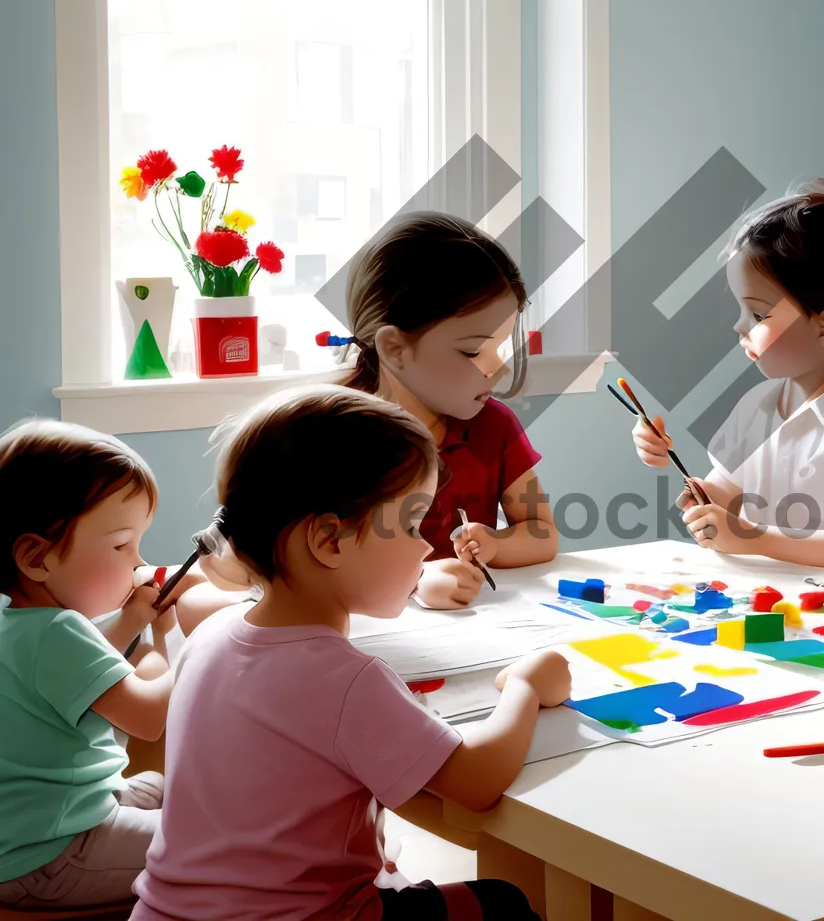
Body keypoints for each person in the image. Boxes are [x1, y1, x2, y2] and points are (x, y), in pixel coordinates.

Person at [132, 385, 568, 921]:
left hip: (163, 911)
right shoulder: (346, 679)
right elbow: (475, 783)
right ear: (330, 542)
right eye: (410, 525)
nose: (426, 547)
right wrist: (525, 686)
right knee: (503, 903)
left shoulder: (210, 635)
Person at [632, 181, 824, 570]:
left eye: (758, 315)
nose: (740, 327)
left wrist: (753, 537)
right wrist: (694, 489)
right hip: (762, 599)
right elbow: (725, 496)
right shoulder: (756, 407)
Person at [0, 420, 194, 912]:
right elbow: (149, 719)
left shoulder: (25, 624)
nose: (137, 562)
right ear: (35, 557)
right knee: (212, 837)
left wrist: (132, 619)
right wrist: (185, 646)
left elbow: (75, 678)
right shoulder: (57, 631)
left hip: (30, 837)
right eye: (121, 545)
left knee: (170, 789)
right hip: (53, 855)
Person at [337, 212, 557, 610]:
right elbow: (315, 562)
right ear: (394, 349)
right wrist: (417, 581)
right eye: (473, 351)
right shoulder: (333, 432)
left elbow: (542, 533)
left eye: (500, 348)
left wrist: (496, 543)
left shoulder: (495, 425)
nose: (497, 368)